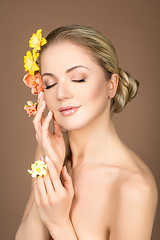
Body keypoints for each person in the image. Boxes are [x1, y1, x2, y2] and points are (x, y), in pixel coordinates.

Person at [15, 25, 158, 240]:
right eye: (50, 83)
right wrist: (49, 172)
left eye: (78, 78)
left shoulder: (133, 189)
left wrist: (59, 224)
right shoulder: (48, 154)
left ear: (111, 85)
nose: (61, 93)